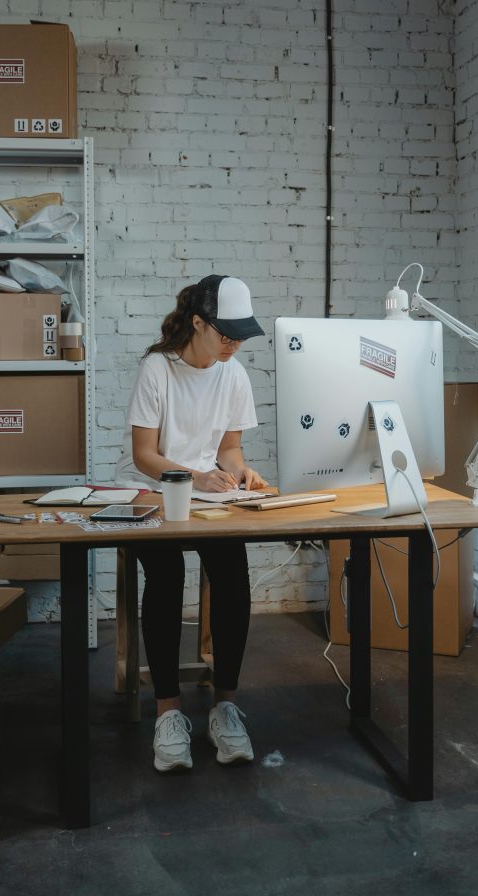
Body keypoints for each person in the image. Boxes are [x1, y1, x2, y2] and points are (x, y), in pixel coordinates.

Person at [115, 274, 268, 773]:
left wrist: (240, 472)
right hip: (152, 489)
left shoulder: (234, 373)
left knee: (232, 572)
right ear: (198, 323)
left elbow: (228, 449)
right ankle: (167, 711)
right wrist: (197, 474)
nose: (234, 345)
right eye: (226, 335)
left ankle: (225, 705)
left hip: (204, 492)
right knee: (166, 574)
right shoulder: (158, 369)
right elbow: (144, 455)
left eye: (240, 336)